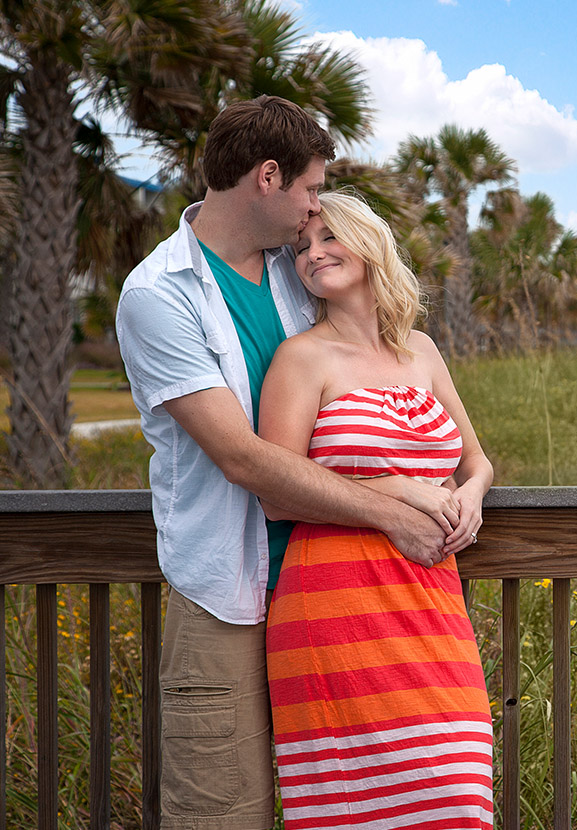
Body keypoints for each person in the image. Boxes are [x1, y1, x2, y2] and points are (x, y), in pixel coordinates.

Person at [116, 97, 447, 830]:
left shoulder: (298, 274)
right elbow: (241, 456)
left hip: (330, 594)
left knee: (354, 808)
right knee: (221, 815)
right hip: (227, 595)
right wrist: (397, 510)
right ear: (268, 177)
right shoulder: (159, 295)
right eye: (309, 189)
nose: (314, 211)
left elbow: (367, 366)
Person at [258, 191, 494, 828]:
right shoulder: (301, 358)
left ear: (369, 242)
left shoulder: (420, 349)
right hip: (334, 602)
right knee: (358, 808)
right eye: (302, 248)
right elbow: (277, 490)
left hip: (431, 596)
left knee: (457, 796)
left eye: (329, 238)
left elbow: (477, 461)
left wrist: (469, 497)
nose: (314, 255)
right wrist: (399, 488)